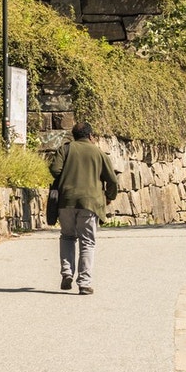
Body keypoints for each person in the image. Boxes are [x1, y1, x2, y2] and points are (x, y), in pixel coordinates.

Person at [50, 122, 120, 295]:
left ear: (74, 136)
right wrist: (109, 197)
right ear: (90, 136)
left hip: (66, 201)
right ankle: (84, 283)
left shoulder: (65, 149)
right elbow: (112, 180)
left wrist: (67, 177)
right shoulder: (99, 153)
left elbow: (54, 169)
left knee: (67, 237)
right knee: (87, 241)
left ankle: (67, 273)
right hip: (90, 203)